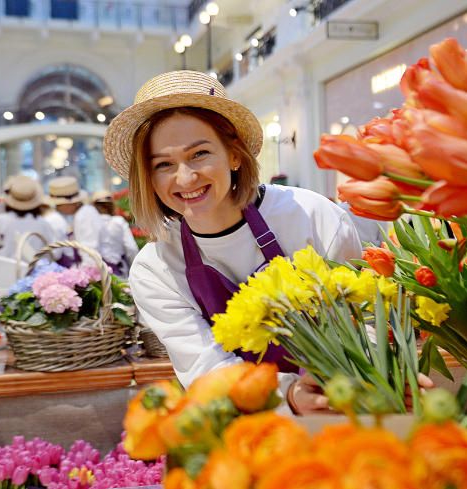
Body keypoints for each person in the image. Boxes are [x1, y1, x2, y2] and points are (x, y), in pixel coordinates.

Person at [102, 70, 363, 414]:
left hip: (349, 405)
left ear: (235, 155)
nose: (185, 178)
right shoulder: (156, 268)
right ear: (147, 179)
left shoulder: (310, 216)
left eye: (199, 154)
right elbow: (206, 371)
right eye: (164, 164)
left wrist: (373, 375)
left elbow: (366, 316)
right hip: (247, 424)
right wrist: (291, 396)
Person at [0, 175, 58, 259]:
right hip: (39, 269)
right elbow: (55, 253)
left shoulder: (1, 221)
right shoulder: (43, 224)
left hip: (5, 269)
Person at [47, 176, 102, 265]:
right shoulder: (82, 213)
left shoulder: (85, 215)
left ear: (69, 203)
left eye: (58, 205)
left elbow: (90, 251)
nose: (58, 209)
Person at [91, 190, 139, 277]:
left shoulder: (90, 223)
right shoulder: (119, 222)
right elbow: (131, 247)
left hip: (96, 273)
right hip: (119, 269)